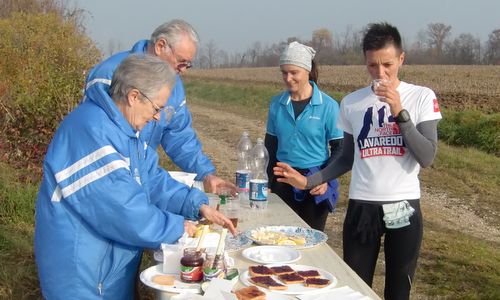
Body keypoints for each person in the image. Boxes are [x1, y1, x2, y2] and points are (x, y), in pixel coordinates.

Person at [34, 55, 236, 299]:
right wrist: (177, 227)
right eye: (156, 108)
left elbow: (152, 177)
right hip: (83, 275)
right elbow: (121, 209)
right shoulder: (90, 130)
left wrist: (196, 204)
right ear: (133, 96)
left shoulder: (123, 130)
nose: (157, 117)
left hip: (107, 268)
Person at [273, 23, 442, 300]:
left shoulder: (422, 96)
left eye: (387, 64)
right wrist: (309, 181)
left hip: (403, 205)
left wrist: (400, 111)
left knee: (398, 290)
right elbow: (346, 158)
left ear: (401, 59)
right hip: (362, 206)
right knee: (356, 289)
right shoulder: (352, 102)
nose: (380, 73)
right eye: (372, 65)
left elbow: (426, 156)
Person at [84, 19, 235, 194]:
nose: (184, 69)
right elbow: (96, 137)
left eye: (188, 65)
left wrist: (206, 174)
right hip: (106, 180)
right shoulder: (110, 74)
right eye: (181, 62)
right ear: (160, 46)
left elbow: (179, 136)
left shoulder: (174, 86)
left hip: (144, 177)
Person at [264, 41, 343, 231]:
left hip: (315, 182)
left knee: (310, 240)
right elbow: (270, 147)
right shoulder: (277, 104)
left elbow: (340, 150)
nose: (288, 78)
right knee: (279, 238)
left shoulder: (329, 106)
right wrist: (266, 182)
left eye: (294, 73)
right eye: (284, 72)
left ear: (307, 71)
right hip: (283, 180)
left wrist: (324, 179)